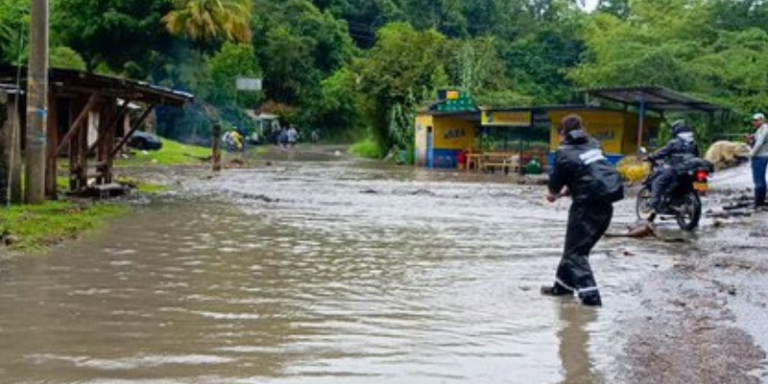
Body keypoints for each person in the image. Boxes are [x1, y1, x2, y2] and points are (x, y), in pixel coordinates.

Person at [542, 114, 624, 307]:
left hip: (586, 208)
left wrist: (553, 194)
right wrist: (567, 191)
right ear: (582, 129)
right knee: (573, 249)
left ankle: (591, 299)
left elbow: (554, 185)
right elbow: (589, 174)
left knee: (575, 254)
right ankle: (562, 288)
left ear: (562, 133)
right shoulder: (594, 144)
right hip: (605, 204)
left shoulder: (563, 151)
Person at [646, 120, 700, 213]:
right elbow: (697, 154)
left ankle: (653, 204)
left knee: (658, 182)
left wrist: (651, 157)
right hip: (693, 169)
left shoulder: (674, 142)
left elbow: (662, 152)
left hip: (677, 168)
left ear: (675, 130)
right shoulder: (693, 142)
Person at [749, 113, 768, 208]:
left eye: (756, 120)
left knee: (758, 180)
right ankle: (761, 201)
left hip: (760, 156)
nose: (754, 122)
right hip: (764, 155)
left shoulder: (764, 129)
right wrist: (753, 137)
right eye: (753, 120)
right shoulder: (760, 130)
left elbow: (759, 143)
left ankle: (758, 202)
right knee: (762, 179)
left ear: (762, 120)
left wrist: (751, 154)